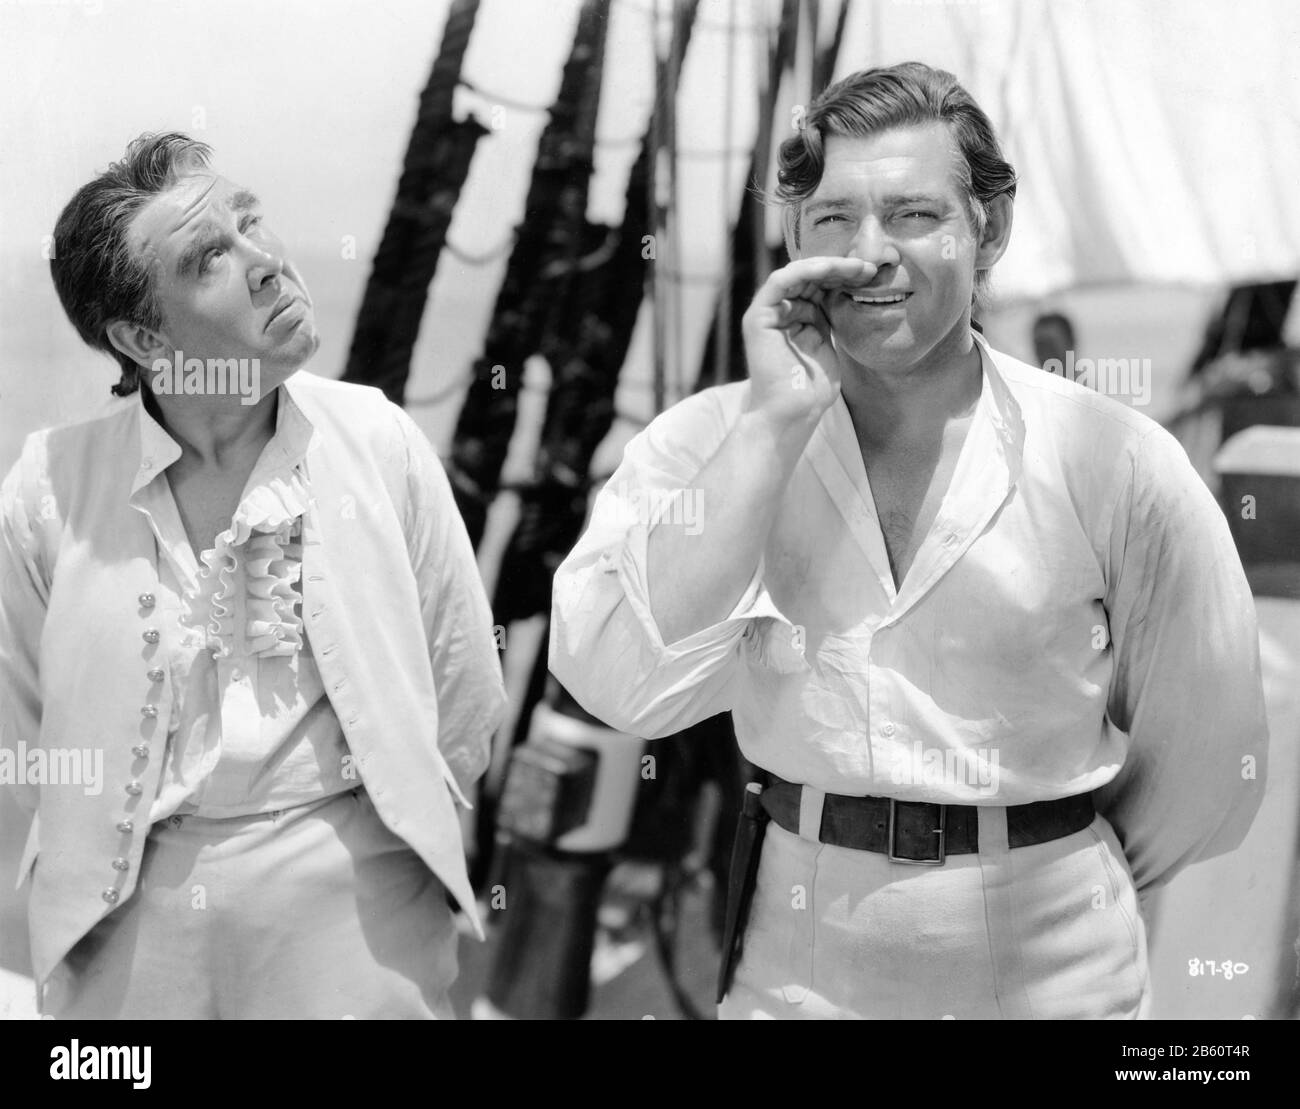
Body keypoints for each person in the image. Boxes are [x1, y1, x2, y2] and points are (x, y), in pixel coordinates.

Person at [549, 62, 1268, 1019]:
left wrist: (1043, 858)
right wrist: (770, 425)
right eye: (834, 220)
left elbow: (1208, 760)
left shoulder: (1117, 462)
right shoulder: (709, 445)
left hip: (1057, 976)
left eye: (915, 215)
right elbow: (616, 678)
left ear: (990, 232)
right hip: (795, 972)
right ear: (796, 241)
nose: (871, 254)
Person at [0, 133, 507, 1018]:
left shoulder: (376, 440)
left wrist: (396, 870)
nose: (268, 263)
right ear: (141, 336)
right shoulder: (50, 487)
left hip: (356, 914)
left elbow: (463, 689)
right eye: (212, 258)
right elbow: (23, 735)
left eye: (251, 223)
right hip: (125, 933)